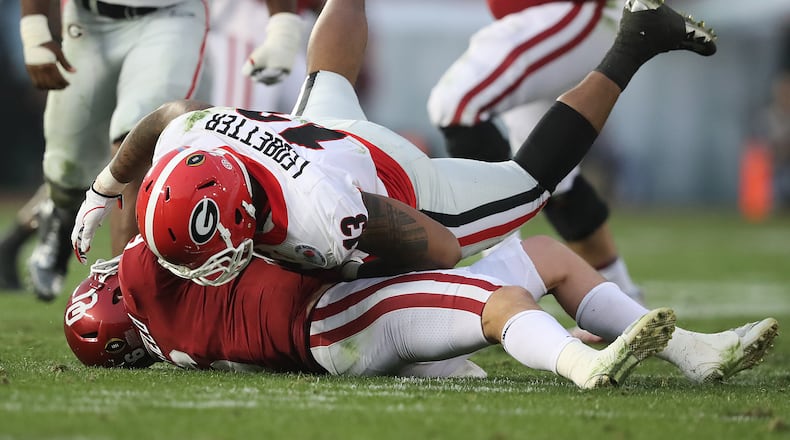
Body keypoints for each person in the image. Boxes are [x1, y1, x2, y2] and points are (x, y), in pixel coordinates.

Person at [70, 0, 718, 288]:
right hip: (326, 133)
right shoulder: (196, 133)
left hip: (392, 178)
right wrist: (105, 188)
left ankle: (635, 41)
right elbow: (165, 117)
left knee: (526, 182)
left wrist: (354, 269)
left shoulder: (320, 216)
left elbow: (439, 247)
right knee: (326, 78)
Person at [63, 232, 779, 388]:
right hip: (337, 320)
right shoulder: (151, 284)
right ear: (126, 307)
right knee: (500, 301)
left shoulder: (177, 320)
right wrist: (105, 185)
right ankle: (585, 363)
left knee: (548, 258)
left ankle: (693, 350)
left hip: (340, 313)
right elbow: (158, 151)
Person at [427, 0, 674, 304]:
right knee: (553, 170)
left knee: (455, 104)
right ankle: (622, 298)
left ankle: (503, 283)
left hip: (576, 10)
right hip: (538, 17)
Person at [10, 0, 211, 301]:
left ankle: (122, 292)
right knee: (66, 166)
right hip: (88, 19)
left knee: (138, 139)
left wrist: (282, 22)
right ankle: (60, 216)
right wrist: (35, 29)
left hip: (172, 16)